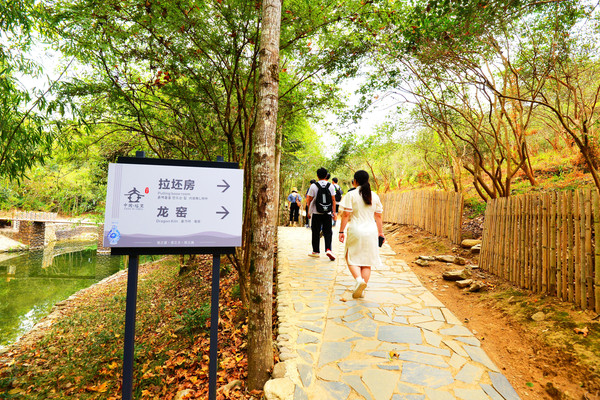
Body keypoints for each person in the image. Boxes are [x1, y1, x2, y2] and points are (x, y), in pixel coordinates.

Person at [338, 170, 384, 298]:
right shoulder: (374, 196)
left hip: (356, 229)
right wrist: (381, 233)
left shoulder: (351, 194)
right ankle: (362, 290)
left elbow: (346, 214)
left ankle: (359, 281)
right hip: (371, 231)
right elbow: (378, 216)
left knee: (350, 257)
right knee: (366, 262)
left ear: (355, 181)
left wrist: (341, 231)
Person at [306, 167, 337, 260]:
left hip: (316, 212)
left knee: (315, 231)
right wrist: (334, 212)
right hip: (327, 213)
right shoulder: (331, 186)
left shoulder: (313, 186)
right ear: (326, 175)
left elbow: (309, 200)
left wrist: (309, 212)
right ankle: (328, 249)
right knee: (328, 232)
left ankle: (316, 251)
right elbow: (333, 200)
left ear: (317, 175)